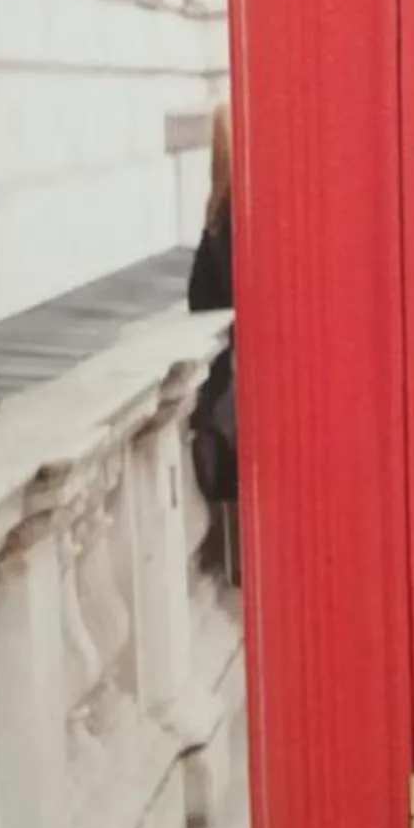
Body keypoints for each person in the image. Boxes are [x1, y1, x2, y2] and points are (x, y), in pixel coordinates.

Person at [187, 102, 236, 580]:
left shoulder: (216, 220)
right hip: (245, 397)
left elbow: (198, 301)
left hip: (225, 395)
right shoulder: (248, 221)